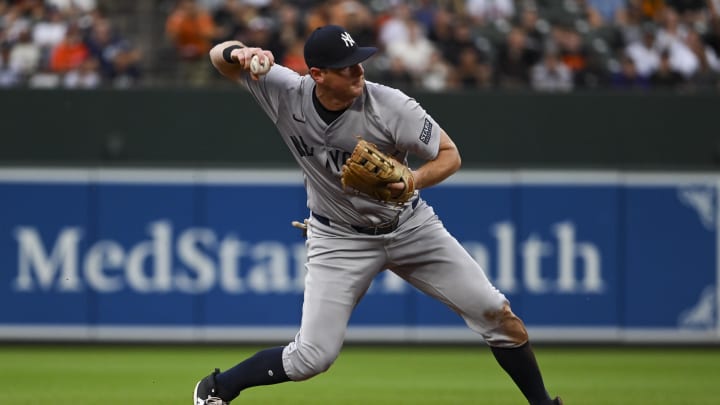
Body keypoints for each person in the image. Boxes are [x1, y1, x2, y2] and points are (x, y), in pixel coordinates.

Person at [194, 24, 563, 405]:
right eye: (346, 67)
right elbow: (218, 57)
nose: (358, 71)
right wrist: (238, 51)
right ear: (318, 75)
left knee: (496, 314)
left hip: (408, 226)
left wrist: (414, 180)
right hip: (338, 237)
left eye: (359, 62)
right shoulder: (285, 90)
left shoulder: (391, 106)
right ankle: (217, 389)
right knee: (311, 358)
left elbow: (450, 155)